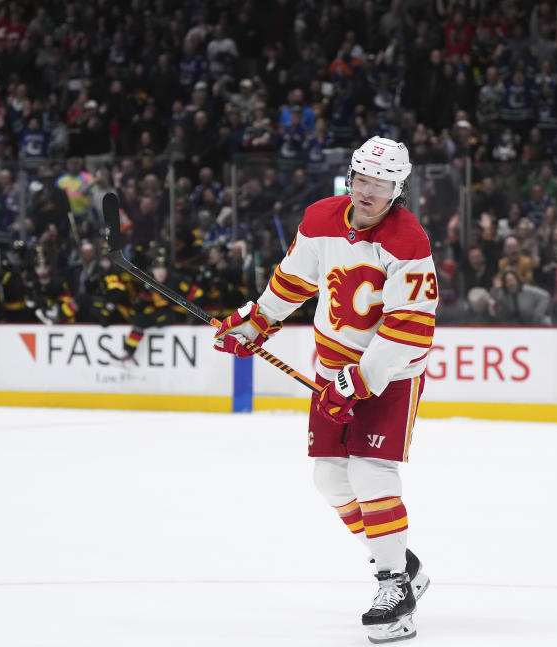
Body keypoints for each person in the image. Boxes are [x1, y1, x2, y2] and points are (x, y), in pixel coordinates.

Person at [213, 137, 432, 643]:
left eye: (380, 184)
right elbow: (293, 280)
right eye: (361, 180)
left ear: (397, 189)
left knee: (371, 470)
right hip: (334, 369)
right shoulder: (320, 218)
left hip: (389, 376)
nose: (367, 192)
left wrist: (356, 382)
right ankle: (400, 559)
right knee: (330, 480)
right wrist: (256, 324)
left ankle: (394, 586)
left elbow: (409, 328)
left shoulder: (409, 240)